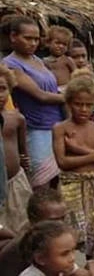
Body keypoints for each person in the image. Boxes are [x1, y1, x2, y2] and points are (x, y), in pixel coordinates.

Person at [52, 77, 94, 254]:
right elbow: (63, 162)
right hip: (71, 185)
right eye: (78, 104)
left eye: (88, 104)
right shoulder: (60, 128)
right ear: (69, 103)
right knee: (73, 229)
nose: (83, 109)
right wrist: (93, 155)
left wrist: (76, 148)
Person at [4, 16, 64, 189]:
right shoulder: (10, 64)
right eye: (28, 38)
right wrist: (71, 97)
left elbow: (52, 89)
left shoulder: (37, 61)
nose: (33, 43)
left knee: (57, 184)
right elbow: (40, 96)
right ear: (13, 36)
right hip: (36, 129)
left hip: (56, 126)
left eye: (36, 39)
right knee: (40, 184)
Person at [0, 189, 68, 276]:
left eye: (62, 218)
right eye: (53, 221)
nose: (60, 225)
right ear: (33, 219)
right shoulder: (20, 249)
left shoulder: (54, 239)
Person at [0, 65, 32, 233]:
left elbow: (23, 153)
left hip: (16, 182)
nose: (0, 94)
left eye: (3, 89)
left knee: (21, 228)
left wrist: (25, 170)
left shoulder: (17, 119)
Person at [19, 221, 94, 276]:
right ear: (40, 259)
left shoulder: (62, 267)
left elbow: (85, 273)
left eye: (73, 250)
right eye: (64, 254)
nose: (72, 258)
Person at [43, 25, 76, 92]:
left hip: (66, 89)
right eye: (57, 43)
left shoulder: (67, 60)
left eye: (64, 44)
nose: (61, 46)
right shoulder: (44, 61)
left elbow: (76, 74)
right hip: (51, 91)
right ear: (48, 43)